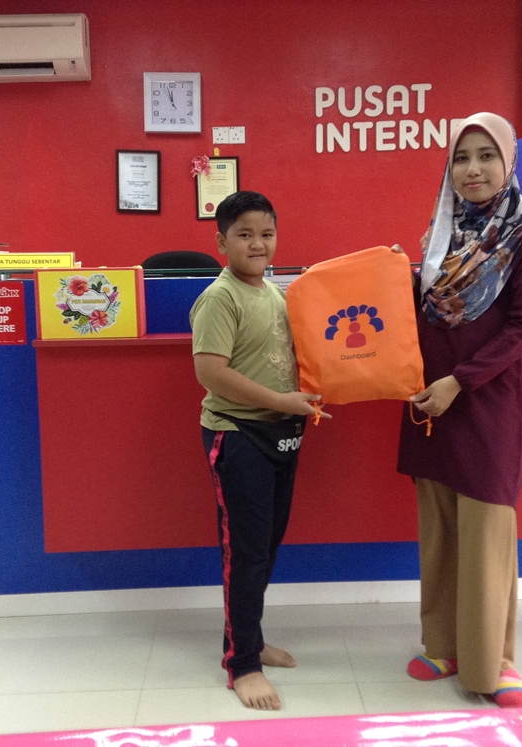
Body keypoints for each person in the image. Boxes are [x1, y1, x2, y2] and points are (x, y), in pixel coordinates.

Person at [395, 112, 522, 709]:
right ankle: (443, 645)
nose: (473, 169)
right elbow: (423, 314)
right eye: (461, 157)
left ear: (509, 161)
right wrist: (395, 278)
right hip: (430, 401)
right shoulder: (441, 232)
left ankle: (494, 662)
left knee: (487, 529)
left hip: (488, 401)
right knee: (439, 527)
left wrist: (459, 383)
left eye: (486, 155)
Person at [189, 190, 328, 711]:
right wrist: (280, 401)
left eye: (266, 234)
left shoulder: (274, 292)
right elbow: (210, 372)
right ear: (221, 241)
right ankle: (242, 663)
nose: (257, 244)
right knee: (244, 553)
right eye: (244, 234)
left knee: (264, 548)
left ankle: (251, 637)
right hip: (238, 436)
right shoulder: (219, 297)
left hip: (281, 435)